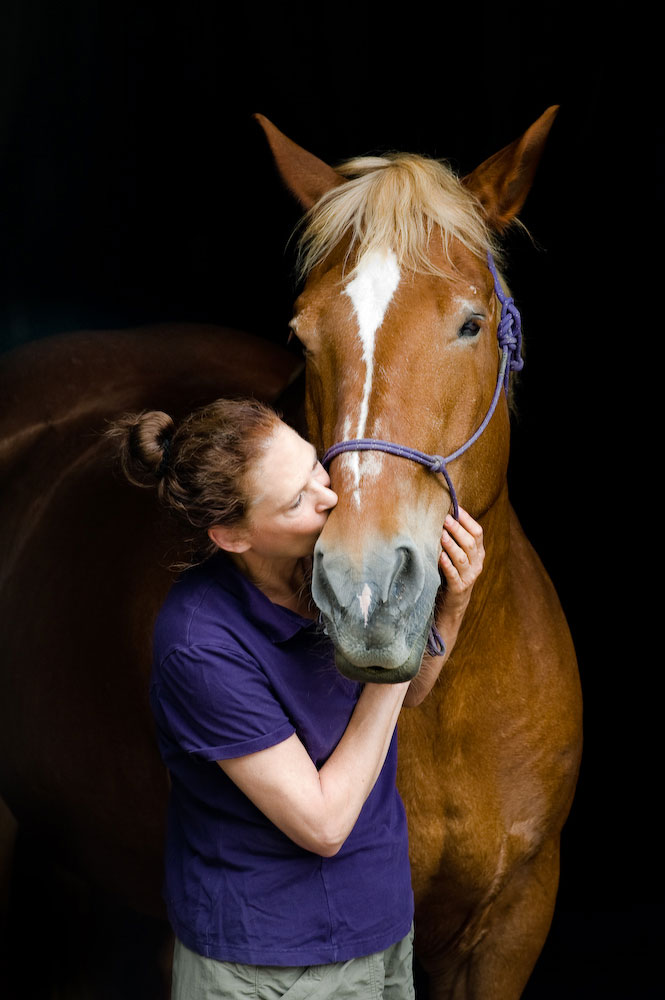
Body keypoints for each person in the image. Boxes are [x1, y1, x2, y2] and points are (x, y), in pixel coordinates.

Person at [108, 397, 484, 1000]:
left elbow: (408, 696)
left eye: (314, 465)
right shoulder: (198, 643)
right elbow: (324, 823)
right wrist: (393, 646)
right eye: (295, 501)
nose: (330, 496)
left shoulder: (331, 566)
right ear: (231, 535)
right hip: (272, 962)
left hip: (382, 924)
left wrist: (451, 607)